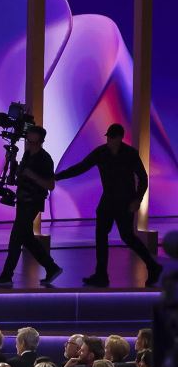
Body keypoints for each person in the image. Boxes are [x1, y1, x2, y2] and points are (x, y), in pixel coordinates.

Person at [56, 122, 162, 288]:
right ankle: (101, 275)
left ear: (120, 138)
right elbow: (81, 167)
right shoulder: (101, 152)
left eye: (112, 138)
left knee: (127, 236)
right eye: (108, 138)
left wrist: (137, 200)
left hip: (125, 201)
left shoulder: (130, 154)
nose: (109, 141)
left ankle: (153, 266)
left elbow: (143, 178)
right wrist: (57, 177)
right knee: (101, 235)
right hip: (108, 200)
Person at [0, 124, 63, 287]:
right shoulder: (27, 154)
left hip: (32, 202)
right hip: (23, 201)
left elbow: (50, 185)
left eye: (33, 139)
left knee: (16, 237)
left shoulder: (45, 159)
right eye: (29, 139)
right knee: (27, 238)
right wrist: (13, 161)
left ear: (40, 140)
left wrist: (33, 175)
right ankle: (52, 268)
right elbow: (18, 176)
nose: (29, 141)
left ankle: (7, 275)